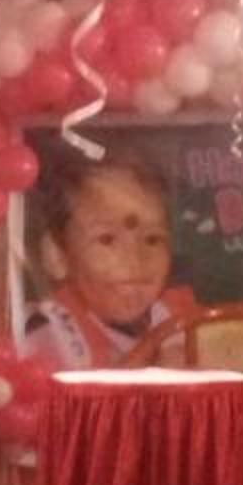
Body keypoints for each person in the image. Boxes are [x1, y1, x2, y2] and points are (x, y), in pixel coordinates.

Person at [22, 155, 195, 365]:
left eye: (152, 239)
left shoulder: (179, 316)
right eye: (107, 240)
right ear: (57, 256)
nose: (136, 259)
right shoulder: (52, 332)